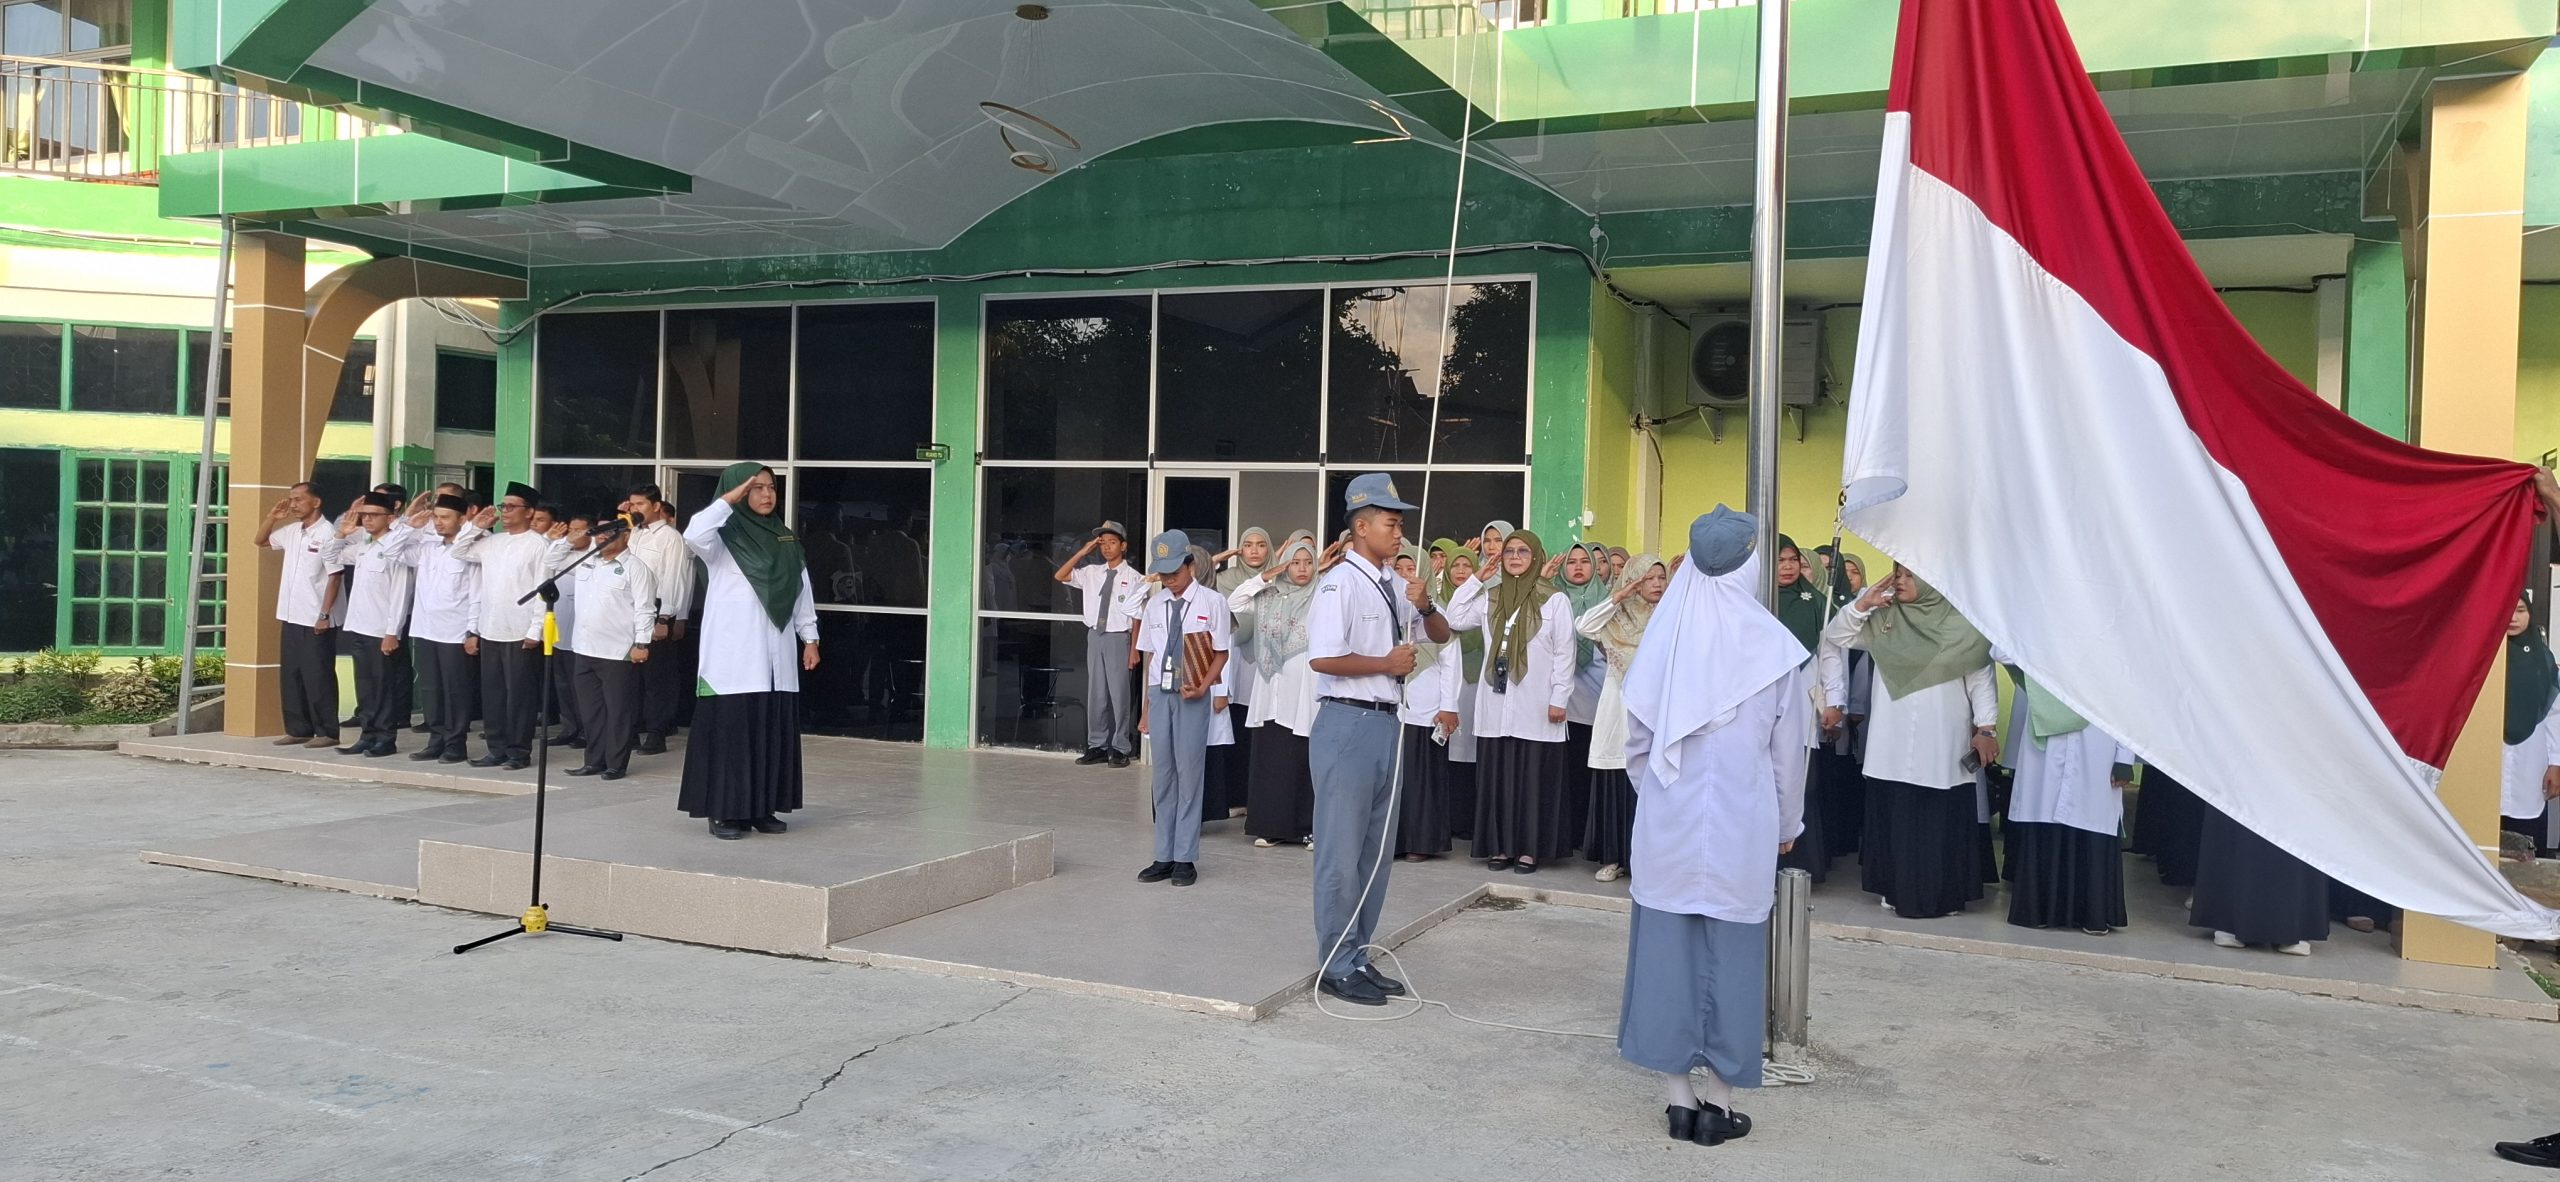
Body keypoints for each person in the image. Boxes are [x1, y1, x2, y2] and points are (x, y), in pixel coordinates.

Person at [1616, 506, 1810, 1148]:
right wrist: (1786, 822)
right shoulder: (1774, 650)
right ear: (1752, 566)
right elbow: (1787, 755)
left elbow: (1637, 746)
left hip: (1668, 823)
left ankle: (1679, 1101)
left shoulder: (1663, 642)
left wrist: (1662, 801)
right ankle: (1719, 1107)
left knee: (1666, 956)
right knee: (1734, 959)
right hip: (1742, 824)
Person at [1303, 474, 1449, 1006]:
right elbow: (1322, 658)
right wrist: (1385, 663)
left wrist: (1426, 604)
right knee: (1341, 852)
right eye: (1391, 522)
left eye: (1400, 522)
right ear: (1361, 527)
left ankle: (1358, 953)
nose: (1399, 531)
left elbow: (1441, 634)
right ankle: (1335, 963)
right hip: (1347, 723)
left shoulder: (1392, 582)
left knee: (1375, 852)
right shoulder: (1339, 583)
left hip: (1388, 723)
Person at [1821, 564, 1999, 919]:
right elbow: (1835, 635)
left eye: (1909, 575)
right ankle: (1895, 888)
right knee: (1897, 813)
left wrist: (1986, 728)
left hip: (1942, 739)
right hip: (1892, 738)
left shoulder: (1960, 623)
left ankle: (1944, 894)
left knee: (1939, 815)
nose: (1900, 581)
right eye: (1897, 573)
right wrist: (1862, 605)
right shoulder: (1884, 619)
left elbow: (1980, 677)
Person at [677, 463, 820, 839]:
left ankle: (761, 807)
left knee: (768, 734)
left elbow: (801, 591)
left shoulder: (785, 539)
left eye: (771, 487)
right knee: (731, 737)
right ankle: (724, 813)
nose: (766, 494)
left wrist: (810, 638)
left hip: (775, 661)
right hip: (732, 662)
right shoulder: (721, 540)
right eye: (755, 488)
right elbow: (693, 533)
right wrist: (728, 500)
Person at [1443, 529, 1577, 874]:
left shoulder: (1554, 600)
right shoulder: (1490, 597)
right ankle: (1500, 847)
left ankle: (1529, 850)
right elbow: (1454, 617)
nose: (1515, 557)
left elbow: (1565, 653)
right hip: (1496, 705)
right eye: (1509, 552)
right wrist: (1476, 579)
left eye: (1523, 552)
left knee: (1531, 780)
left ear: (1536, 557)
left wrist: (1559, 697)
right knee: (1499, 778)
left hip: (1537, 705)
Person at [1993, 653, 2134, 935]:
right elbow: (2000, 651)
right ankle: (2039, 911)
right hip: (2046, 741)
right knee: (2044, 819)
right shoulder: (2041, 637)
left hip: (2097, 743)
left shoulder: (2112, 641)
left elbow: (2129, 699)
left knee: (2090, 820)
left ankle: (2091, 914)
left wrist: (2125, 758)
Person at [1125, 530, 1232, 886]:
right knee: (1163, 776)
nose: (1169, 579)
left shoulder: (1212, 602)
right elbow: (1151, 658)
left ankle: (1185, 857)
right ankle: (1163, 855)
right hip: (1161, 694)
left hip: (1192, 694)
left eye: (1175, 571)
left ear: (1191, 566)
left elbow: (1221, 653)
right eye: (1164, 573)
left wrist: (1204, 687)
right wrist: (1145, 708)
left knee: (1189, 774)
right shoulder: (1155, 605)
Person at [451, 483, 565, 771]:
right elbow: (459, 551)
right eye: (503, 506)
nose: (505, 512)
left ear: (529, 512)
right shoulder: (493, 542)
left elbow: (542, 591)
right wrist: (475, 527)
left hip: (520, 631)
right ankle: (496, 748)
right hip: (491, 628)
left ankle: (518, 752)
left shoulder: (538, 544)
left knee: (520, 697)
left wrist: (535, 631)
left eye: (512, 507)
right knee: (494, 695)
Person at [1577, 552, 1667, 882]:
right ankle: (1614, 858)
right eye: (1648, 578)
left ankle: (1651, 863)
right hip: (1619, 710)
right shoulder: (1614, 619)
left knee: (1652, 787)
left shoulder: (1670, 616)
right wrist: (1619, 595)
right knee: (1617, 782)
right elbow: (1583, 626)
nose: (1657, 584)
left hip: (1657, 712)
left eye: (1661, 577)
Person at [549, 512, 657, 781]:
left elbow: (645, 608)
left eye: (610, 532)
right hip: (584, 648)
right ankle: (593, 761)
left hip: (617, 650)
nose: (602, 538)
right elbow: (550, 560)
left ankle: (616, 764)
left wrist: (642, 642)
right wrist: (573, 538)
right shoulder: (586, 561)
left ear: (626, 535)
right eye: (598, 532)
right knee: (591, 711)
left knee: (618, 711)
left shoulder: (636, 568)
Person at [1231, 533, 1322, 849]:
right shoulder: (1269, 594)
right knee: (1272, 761)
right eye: (1295, 562)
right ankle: (1271, 827)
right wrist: (1265, 576)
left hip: (1305, 692)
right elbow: (1234, 602)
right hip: (1271, 690)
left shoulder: (1320, 595)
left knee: (1304, 760)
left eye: (1308, 562)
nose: (1302, 569)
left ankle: (1309, 828)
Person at [322, 491, 419, 758]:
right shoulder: (365, 546)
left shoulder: (396, 550)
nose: (367, 520)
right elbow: (330, 555)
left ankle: (385, 738)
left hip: (381, 630)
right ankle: (368, 735)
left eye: (374, 515)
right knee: (364, 686)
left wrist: (392, 632)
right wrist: (341, 533)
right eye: (364, 515)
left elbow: (400, 594)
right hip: (359, 626)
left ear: (390, 518)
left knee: (382, 686)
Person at [254, 481, 341, 748]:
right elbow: (260, 541)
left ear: (316, 502)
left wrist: (324, 614)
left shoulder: (328, 533)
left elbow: (335, 577)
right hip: (291, 614)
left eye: (298, 499)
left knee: (318, 675)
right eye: (291, 499)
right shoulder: (292, 531)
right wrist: (272, 517)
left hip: (316, 617)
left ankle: (327, 731)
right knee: (292, 675)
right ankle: (298, 728)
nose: (293, 504)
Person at [1393, 544, 1464, 862]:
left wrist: (1448, 706)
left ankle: (1421, 841)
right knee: (1395, 778)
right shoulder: (1388, 609)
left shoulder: (1438, 614)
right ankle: (1394, 840)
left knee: (1422, 777)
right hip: (1394, 705)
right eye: (1398, 569)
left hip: (1427, 707)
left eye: (1411, 569)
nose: (1405, 576)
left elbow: (1451, 663)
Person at [1054, 521, 1146, 768]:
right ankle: (1097, 745)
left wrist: (1134, 649)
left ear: (1123, 546)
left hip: (1119, 637)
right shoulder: (1091, 572)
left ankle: (1120, 747)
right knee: (1096, 693)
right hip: (1095, 635)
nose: (1106, 547)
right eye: (1102, 543)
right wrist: (1083, 551)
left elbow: (1137, 616)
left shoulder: (1134, 577)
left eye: (1112, 542)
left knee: (1119, 694)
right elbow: (1060, 575)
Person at [400, 492, 480, 764]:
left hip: (454, 632)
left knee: (455, 690)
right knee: (431, 690)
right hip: (425, 629)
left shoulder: (471, 550)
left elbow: (477, 594)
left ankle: (456, 745)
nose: (438, 522)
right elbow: (391, 550)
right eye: (435, 517)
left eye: (445, 517)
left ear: (462, 519)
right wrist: (409, 523)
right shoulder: (427, 548)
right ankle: (436, 740)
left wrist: (473, 631)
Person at [622, 484, 697, 757]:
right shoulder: (634, 533)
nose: (635, 509)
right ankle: (631, 731)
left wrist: (665, 617)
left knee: (657, 678)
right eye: (632, 504)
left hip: (657, 609)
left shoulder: (670, 537)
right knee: (630, 678)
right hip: (630, 609)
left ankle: (657, 733)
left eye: (640, 504)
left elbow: (674, 579)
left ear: (656, 506)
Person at [1555, 542, 1613, 864]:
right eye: (1572, 561)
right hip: (1562, 704)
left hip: (1599, 700)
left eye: (1585, 561)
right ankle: (1568, 835)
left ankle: (1591, 837)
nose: (1578, 567)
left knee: (1592, 774)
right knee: (1567, 773)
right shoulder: (1553, 600)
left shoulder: (1609, 602)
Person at [2500, 594, 2560, 857]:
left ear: (2530, 615)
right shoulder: (2483, 655)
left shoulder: (2542, 661)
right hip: (2488, 758)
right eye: (2507, 610)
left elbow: (2555, 715)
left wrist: (2556, 763)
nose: (2514, 618)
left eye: (2521, 610)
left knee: (2527, 835)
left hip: (2531, 760)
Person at [1434, 541, 1484, 841]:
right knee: (1449, 751)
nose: (1462, 571)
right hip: (1448, 685)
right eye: (1456, 565)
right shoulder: (1437, 603)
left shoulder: (1484, 602)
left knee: (1472, 751)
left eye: (1468, 565)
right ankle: (1449, 819)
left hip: (1478, 683)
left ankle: (1469, 820)